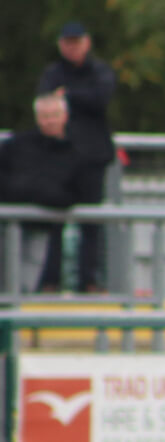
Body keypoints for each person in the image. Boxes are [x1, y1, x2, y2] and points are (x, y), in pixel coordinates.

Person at [37, 21, 116, 293]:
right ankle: (49, 281)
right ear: (61, 45)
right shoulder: (53, 72)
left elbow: (101, 98)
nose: (72, 47)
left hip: (93, 158)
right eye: (67, 42)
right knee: (54, 221)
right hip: (59, 158)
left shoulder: (100, 71)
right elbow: (45, 102)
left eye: (76, 42)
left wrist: (68, 96)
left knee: (91, 223)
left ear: (87, 42)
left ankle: (90, 281)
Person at [0, 94, 88, 292]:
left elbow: (77, 193)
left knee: (25, 284)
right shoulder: (16, 145)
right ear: (37, 118)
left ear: (65, 116)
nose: (50, 121)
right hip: (6, 224)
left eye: (54, 115)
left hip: (41, 227)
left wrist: (41, 197)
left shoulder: (75, 153)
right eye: (45, 116)